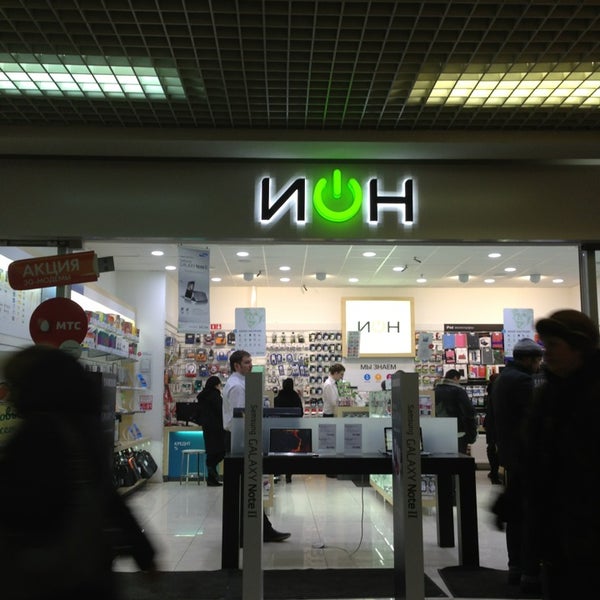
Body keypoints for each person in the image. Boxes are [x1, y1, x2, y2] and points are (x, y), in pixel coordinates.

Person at [0, 345, 156, 600]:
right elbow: (107, 495)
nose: (8, 395)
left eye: (14, 385)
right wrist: (143, 552)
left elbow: (23, 506)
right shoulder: (83, 426)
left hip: (45, 573)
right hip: (89, 566)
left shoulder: (37, 434)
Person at [522, 310, 600, 599]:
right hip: (557, 527)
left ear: (578, 347)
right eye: (545, 346)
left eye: (554, 345)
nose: (547, 354)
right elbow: (534, 452)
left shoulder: (589, 394)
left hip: (586, 527)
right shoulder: (549, 392)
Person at [491, 337, 544, 592]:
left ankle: (516, 567)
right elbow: (532, 420)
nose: (540, 365)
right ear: (529, 359)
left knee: (516, 515)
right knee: (528, 516)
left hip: (510, 455)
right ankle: (529, 573)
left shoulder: (502, 379)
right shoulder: (523, 381)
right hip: (526, 457)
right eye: (538, 360)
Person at [222, 349, 291, 542]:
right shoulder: (237, 387)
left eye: (250, 361)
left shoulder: (240, 383)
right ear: (236, 365)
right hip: (239, 439)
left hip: (240, 438)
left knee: (247, 488)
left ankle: (258, 530)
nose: (251, 365)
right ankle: (256, 532)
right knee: (247, 487)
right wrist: (253, 439)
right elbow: (241, 418)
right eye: (246, 362)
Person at [434, 368, 478, 454]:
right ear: (455, 378)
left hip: (440, 431)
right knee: (459, 456)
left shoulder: (435, 390)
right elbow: (469, 411)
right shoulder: (459, 391)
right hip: (458, 431)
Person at [196, 375, 226, 486]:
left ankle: (211, 478)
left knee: (211, 452)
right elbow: (221, 411)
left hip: (207, 428)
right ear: (216, 385)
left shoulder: (202, 396)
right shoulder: (215, 396)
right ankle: (212, 469)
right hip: (217, 428)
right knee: (222, 451)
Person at [273, 378, 303, 483]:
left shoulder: (278, 398)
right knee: (290, 451)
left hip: (280, 428)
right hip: (292, 429)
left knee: (278, 451)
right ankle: (288, 476)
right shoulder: (296, 397)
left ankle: (277, 474)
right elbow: (301, 413)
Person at [483, 372, 501, 484]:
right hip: (496, 423)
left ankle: (493, 472)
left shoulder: (490, 390)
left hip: (490, 422)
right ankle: (495, 474)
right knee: (496, 449)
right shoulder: (498, 391)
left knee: (491, 448)